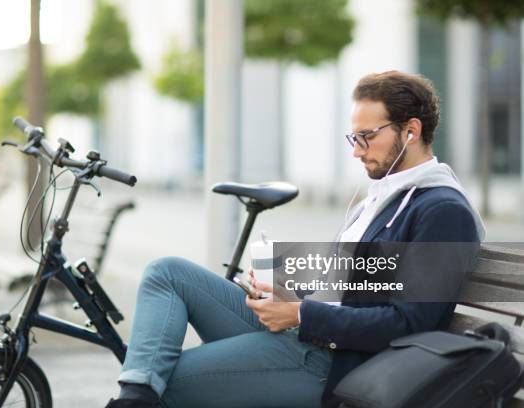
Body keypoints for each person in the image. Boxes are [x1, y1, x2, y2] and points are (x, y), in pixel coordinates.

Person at [105, 71, 484, 408]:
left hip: (332, 362)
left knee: (164, 379)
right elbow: (354, 287)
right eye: (353, 137)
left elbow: (410, 323)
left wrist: (302, 313)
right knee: (166, 273)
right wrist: (292, 294)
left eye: (367, 136)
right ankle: (135, 398)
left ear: (411, 131)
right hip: (305, 333)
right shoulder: (383, 197)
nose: (356, 150)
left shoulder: (442, 211)